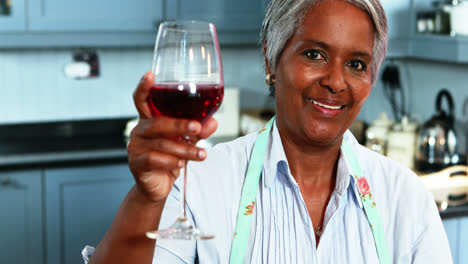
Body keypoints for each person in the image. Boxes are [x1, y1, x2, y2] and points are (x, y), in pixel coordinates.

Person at [84, 0, 452, 263]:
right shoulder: (201, 184)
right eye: (314, 55)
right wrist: (146, 200)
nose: (336, 81)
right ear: (271, 59)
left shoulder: (406, 198)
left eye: (356, 64)